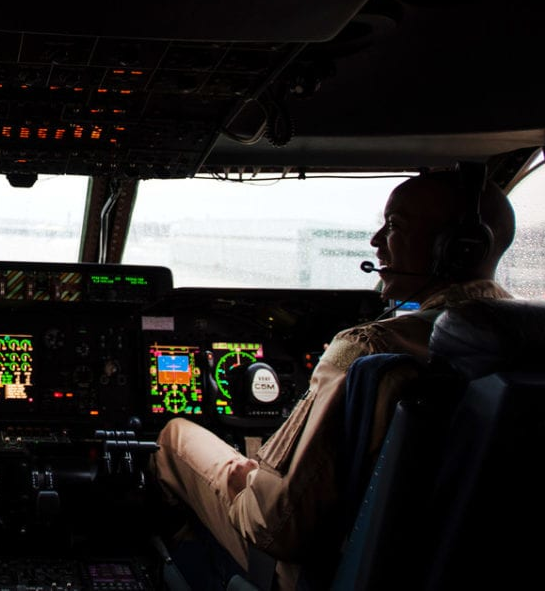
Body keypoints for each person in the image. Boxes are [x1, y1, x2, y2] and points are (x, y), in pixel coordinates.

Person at [151, 168, 516, 590]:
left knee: (175, 436)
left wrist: (246, 475)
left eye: (394, 226)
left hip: (338, 571)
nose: (377, 241)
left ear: (459, 249)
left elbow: (274, 525)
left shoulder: (372, 346)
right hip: (472, 565)